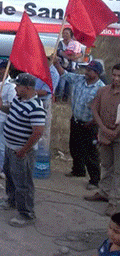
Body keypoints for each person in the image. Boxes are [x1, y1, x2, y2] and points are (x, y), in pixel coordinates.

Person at [0, 73, 45, 227]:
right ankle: (12, 201)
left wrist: (24, 150)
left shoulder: (36, 107)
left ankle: (27, 214)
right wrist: (1, 107)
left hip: (22, 152)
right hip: (10, 147)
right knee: (10, 176)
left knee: (23, 183)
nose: (15, 88)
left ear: (28, 88)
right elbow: (12, 110)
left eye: (18, 86)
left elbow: (38, 132)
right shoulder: (18, 98)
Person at [54, 59, 106, 188]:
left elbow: (102, 110)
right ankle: (78, 170)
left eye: (90, 70)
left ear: (97, 73)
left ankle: (94, 180)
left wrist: (93, 122)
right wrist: (56, 64)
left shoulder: (101, 89)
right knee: (74, 147)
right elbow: (64, 74)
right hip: (76, 121)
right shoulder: (79, 79)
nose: (86, 72)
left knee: (90, 153)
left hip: (90, 124)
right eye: (86, 69)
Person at [85, 63, 120, 216]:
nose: (116, 78)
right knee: (106, 165)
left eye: (119, 76)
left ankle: (115, 201)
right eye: (114, 75)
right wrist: (103, 129)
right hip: (104, 134)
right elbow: (94, 109)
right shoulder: (103, 90)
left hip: (118, 137)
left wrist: (116, 131)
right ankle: (104, 192)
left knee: (119, 170)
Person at [34, 52, 60, 165]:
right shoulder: (39, 68)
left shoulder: (53, 73)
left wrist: (29, 92)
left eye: (48, 58)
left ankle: (40, 156)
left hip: (44, 102)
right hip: (34, 100)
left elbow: (45, 91)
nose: (46, 60)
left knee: (43, 131)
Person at [56, 27, 83, 101]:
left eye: (66, 33)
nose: (65, 35)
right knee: (61, 84)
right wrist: (70, 57)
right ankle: (58, 99)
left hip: (72, 68)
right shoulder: (60, 43)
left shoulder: (75, 43)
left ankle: (66, 100)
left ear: (70, 34)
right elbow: (59, 52)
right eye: (63, 33)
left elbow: (81, 53)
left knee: (70, 85)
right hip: (62, 67)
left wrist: (75, 56)